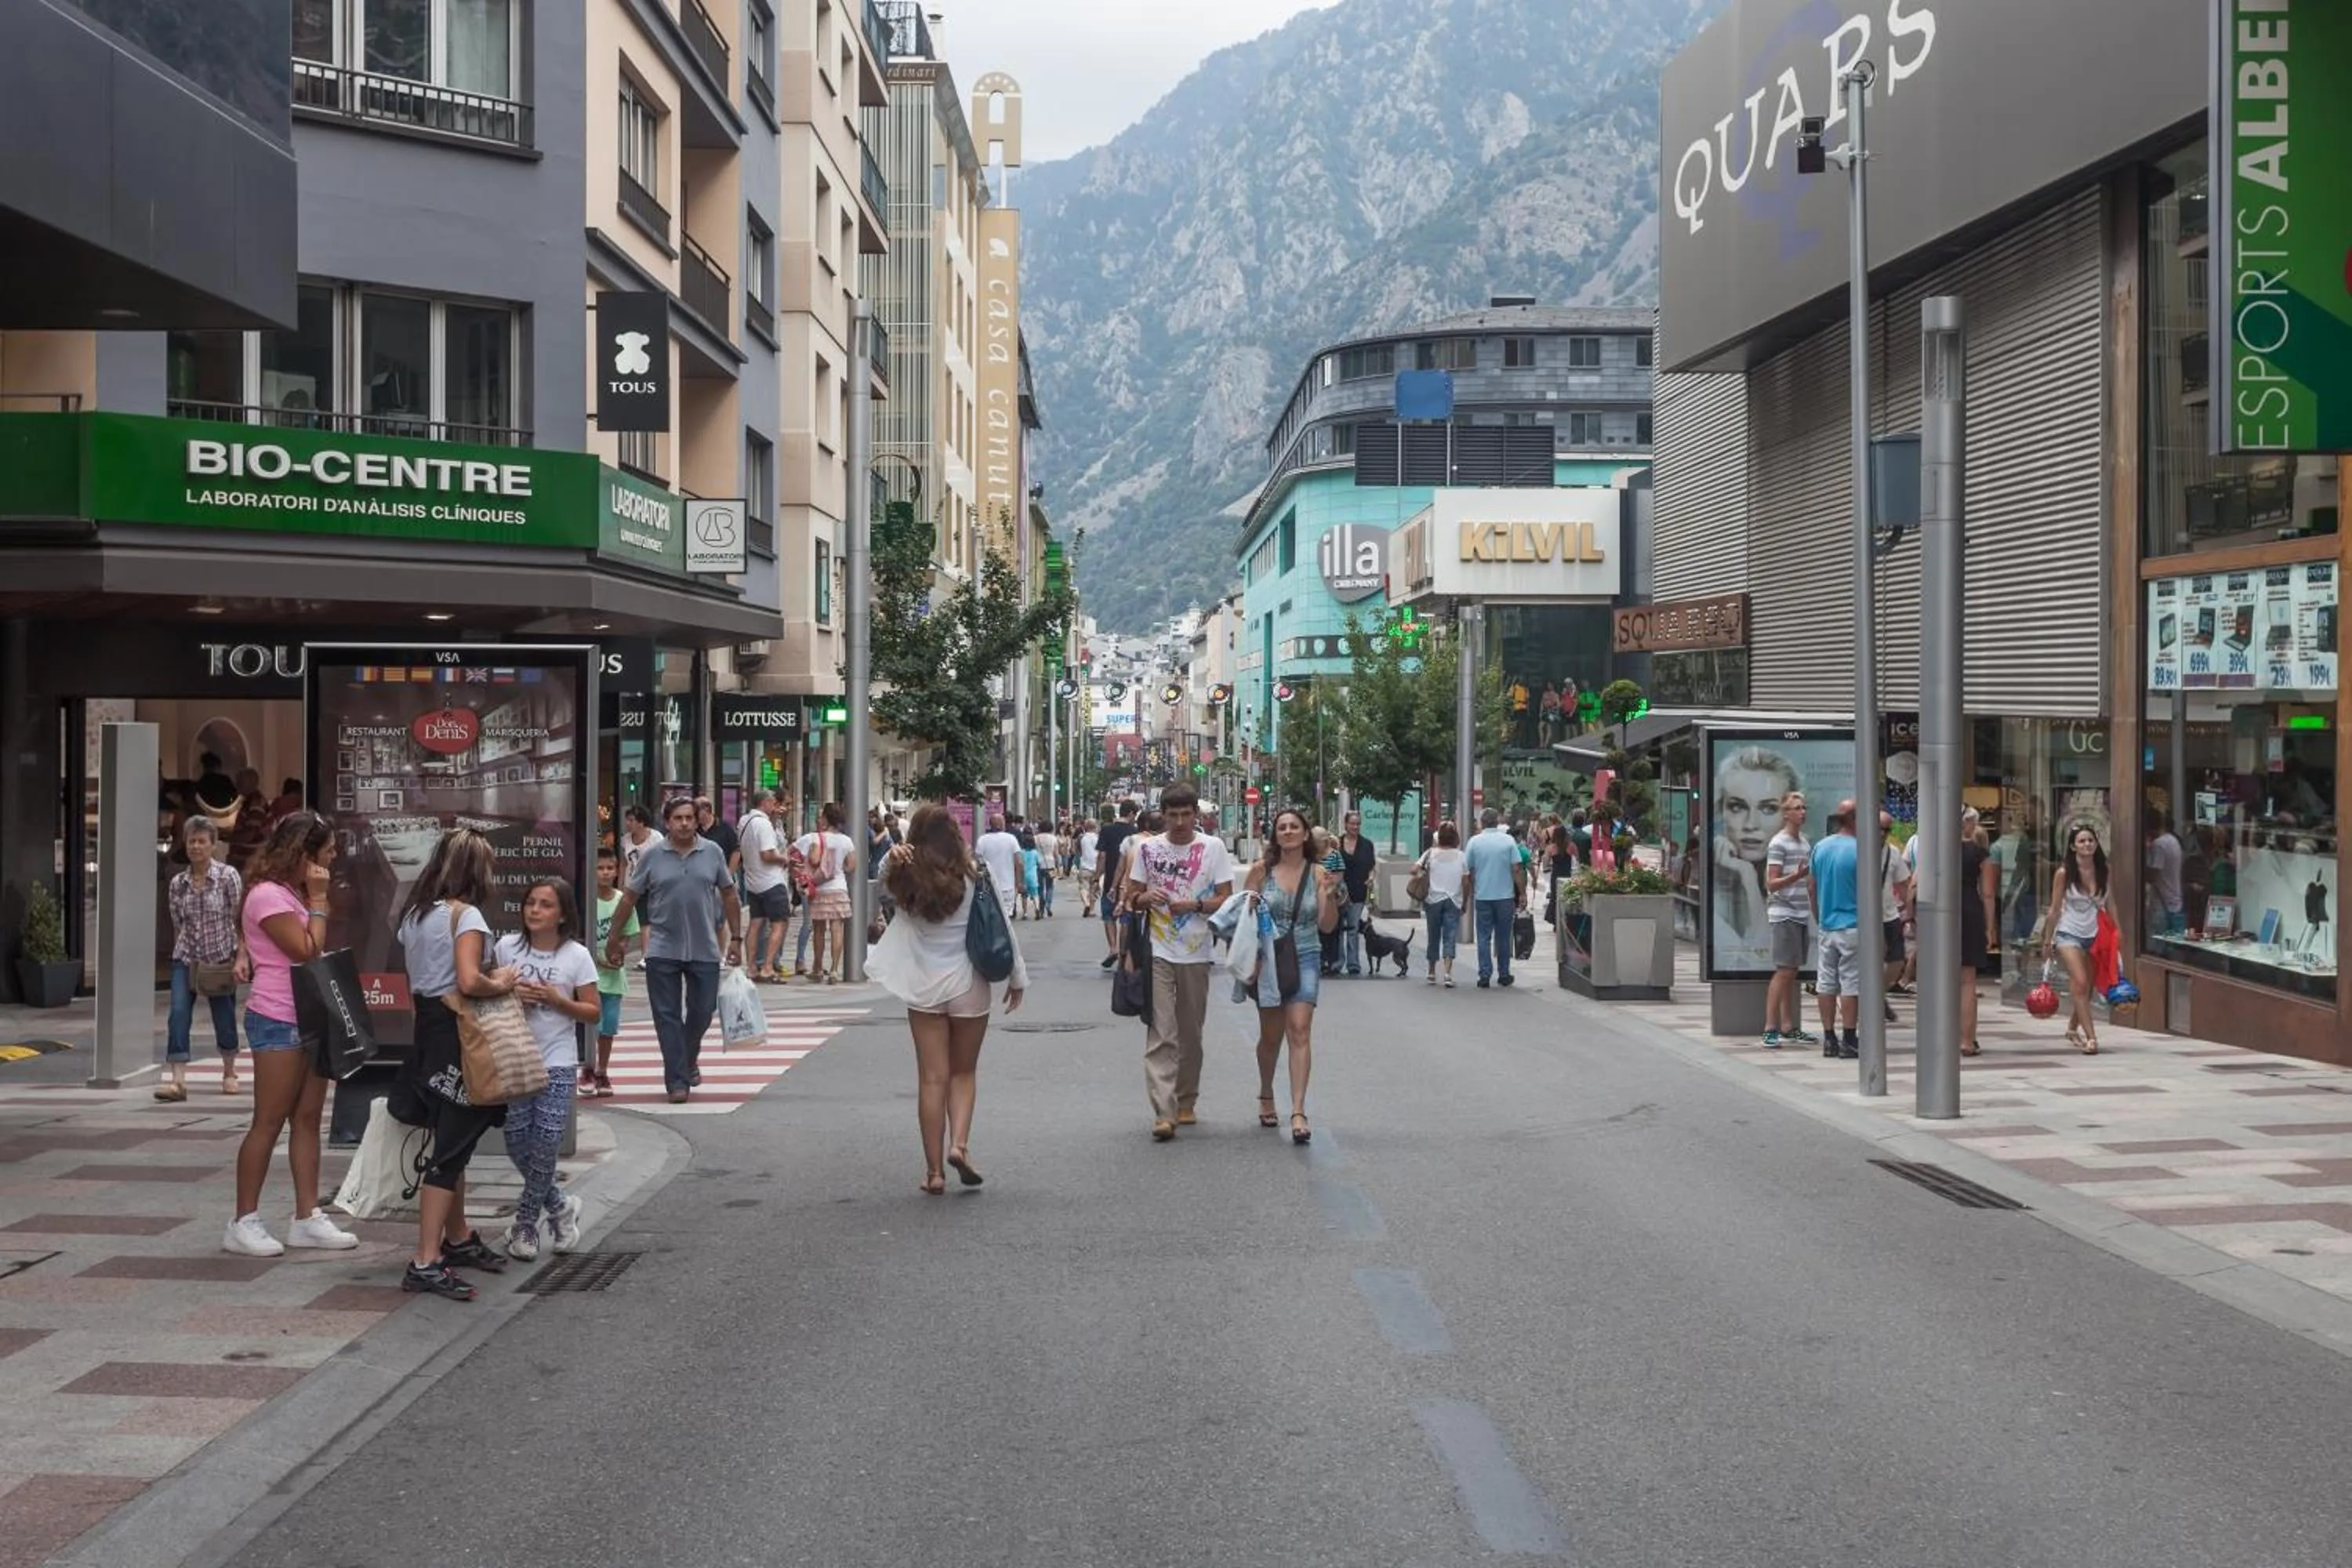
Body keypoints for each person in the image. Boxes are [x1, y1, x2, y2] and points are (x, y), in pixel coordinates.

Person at [869, 803, 1029, 1196]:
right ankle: (959, 1145)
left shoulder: (905, 877)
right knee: (963, 1073)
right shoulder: (975, 874)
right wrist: (1017, 976)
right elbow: (1000, 925)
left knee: (931, 1079)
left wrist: (892, 858)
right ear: (954, 836)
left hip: (923, 988)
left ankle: (934, 1172)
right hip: (968, 985)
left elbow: (878, 888)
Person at [390, 828, 521, 1299]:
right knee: (449, 1153)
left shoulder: (416, 915)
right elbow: (468, 981)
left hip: (428, 1032)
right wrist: (501, 978)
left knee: (452, 1141)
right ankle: (426, 1259)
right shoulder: (467, 918)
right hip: (460, 1038)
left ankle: (458, 1236)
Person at [221, 813, 358, 1257]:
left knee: (307, 1117)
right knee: (269, 1119)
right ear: (303, 854)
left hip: (310, 1015)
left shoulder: (289, 893)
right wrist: (318, 902)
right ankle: (243, 1220)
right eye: (327, 851)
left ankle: (306, 1216)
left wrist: (314, 900)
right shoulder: (267, 896)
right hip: (279, 1016)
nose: (333, 858)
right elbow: (306, 950)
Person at [604, 797, 746, 1102]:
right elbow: (629, 897)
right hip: (662, 948)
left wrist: (736, 938)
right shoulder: (653, 856)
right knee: (666, 1017)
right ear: (667, 822)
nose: (684, 823)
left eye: (689, 818)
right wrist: (615, 938)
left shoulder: (713, 852)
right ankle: (677, 1081)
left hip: (705, 948)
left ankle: (688, 1058)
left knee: (703, 1012)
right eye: (678, 818)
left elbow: (730, 894)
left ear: (697, 821)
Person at [493, 878, 600, 1259]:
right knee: (517, 1141)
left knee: (546, 1141)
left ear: (562, 914)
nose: (534, 910)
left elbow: (592, 1010)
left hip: (557, 1059)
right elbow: (486, 994)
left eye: (545, 905)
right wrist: (508, 995)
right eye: (531, 903)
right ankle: (560, 1206)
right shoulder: (507, 948)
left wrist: (558, 1000)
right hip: (516, 1057)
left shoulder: (576, 955)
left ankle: (524, 1223)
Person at [1127, 784, 1232, 1141]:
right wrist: (1146, 897)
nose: (1180, 822)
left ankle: (1187, 1099)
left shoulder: (1213, 848)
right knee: (1162, 1032)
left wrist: (1195, 906)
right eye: (1173, 815)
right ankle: (1164, 1111)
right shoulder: (1148, 849)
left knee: (1191, 1032)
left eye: (1186, 814)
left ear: (1196, 815)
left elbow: (1225, 899)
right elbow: (1131, 898)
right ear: (1163, 815)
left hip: (1198, 950)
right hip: (1157, 949)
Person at [1244, 808, 1343, 1144]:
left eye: (1294, 827)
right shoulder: (1260, 873)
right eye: (1281, 827)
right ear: (1275, 835)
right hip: (1269, 958)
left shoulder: (1318, 874)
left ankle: (1299, 1110)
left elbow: (1327, 926)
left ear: (1305, 835)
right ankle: (1266, 1092)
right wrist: (1253, 957)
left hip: (1306, 954)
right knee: (1271, 1036)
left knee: (1299, 1030)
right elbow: (1243, 921)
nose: (1287, 832)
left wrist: (1329, 897)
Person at [159, 814, 245, 1102]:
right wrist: (178, 953)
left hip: (219, 956)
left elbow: (238, 917)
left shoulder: (227, 877)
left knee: (224, 1016)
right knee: (179, 1014)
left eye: (202, 841)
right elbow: (177, 922)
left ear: (213, 845)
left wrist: (239, 956)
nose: (196, 846)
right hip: (186, 956)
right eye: (191, 841)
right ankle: (178, 1079)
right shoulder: (178, 883)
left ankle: (230, 1071)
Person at [1712, 746, 1802, 965]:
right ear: (1721, 810)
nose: (1751, 825)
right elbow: (1760, 958)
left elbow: (1769, 959)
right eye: (1737, 807)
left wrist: (1749, 879)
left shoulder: (1803, 876)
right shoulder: (1711, 895)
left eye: (1769, 809)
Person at [2042, 823, 2110, 1055]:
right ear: (2073, 846)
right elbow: (2054, 909)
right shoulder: (2064, 873)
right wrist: (2047, 939)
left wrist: (2118, 931)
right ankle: (2091, 1037)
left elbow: (2112, 905)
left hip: (2095, 934)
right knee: (2080, 981)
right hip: (2068, 933)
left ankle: (2072, 1027)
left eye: (2090, 840)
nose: (2087, 844)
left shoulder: (2104, 871)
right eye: (2081, 841)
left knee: (2087, 987)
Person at [583, 845, 638, 1097]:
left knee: (608, 1028)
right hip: (589, 976)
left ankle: (603, 1071)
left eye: (610, 868)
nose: (605, 873)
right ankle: (587, 1068)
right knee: (590, 1026)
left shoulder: (622, 901)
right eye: (600, 868)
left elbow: (629, 935)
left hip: (614, 977)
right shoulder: (585, 900)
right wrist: (597, 958)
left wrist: (619, 952)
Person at [1809, 800, 1863, 1060]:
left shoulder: (1821, 847)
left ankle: (1829, 1038)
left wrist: (1819, 915)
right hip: (1853, 925)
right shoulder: (1861, 850)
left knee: (1826, 981)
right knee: (1851, 983)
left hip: (1827, 925)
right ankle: (1849, 1039)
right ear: (1854, 819)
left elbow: (1812, 886)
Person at [1762, 793, 1814, 1047]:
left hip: (1801, 913)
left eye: (1804, 807)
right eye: (1796, 808)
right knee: (1784, 970)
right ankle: (1770, 1027)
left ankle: (1787, 1025)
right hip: (1784, 913)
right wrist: (1797, 875)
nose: (1802, 812)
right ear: (1785, 814)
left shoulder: (1804, 843)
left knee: (1792, 971)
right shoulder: (1779, 843)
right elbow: (1771, 884)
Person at [794, 803, 858, 982]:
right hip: (839, 888)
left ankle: (818, 968)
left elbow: (814, 860)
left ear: (826, 818)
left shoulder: (817, 837)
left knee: (819, 930)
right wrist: (838, 868)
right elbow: (852, 866)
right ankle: (835, 970)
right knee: (837, 928)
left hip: (821, 889)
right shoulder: (847, 841)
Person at [1463, 808, 1525, 989]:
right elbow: (1516, 869)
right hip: (1505, 897)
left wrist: (1473, 888)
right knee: (1503, 937)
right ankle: (1504, 974)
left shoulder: (1474, 842)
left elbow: (1468, 871)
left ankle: (1484, 974)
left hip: (1483, 896)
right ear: (1497, 822)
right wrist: (1522, 893)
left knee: (1483, 937)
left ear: (1482, 822)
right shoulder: (1508, 842)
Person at [739, 790, 793, 982]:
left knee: (756, 923)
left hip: (753, 881)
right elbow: (767, 855)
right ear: (766, 802)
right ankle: (768, 967)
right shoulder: (763, 824)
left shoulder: (744, 821)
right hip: (771, 881)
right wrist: (784, 858)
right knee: (780, 923)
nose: (776, 806)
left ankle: (752, 967)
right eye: (773, 802)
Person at [1958, 808, 1998, 1056]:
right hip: (1970, 910)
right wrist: (1990, 927)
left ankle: (1940, 1036)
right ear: (1967, 824)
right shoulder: (1979, 853)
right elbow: (1989, 893)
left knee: (1941, 980)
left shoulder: (1934, 847)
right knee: (1967, 981)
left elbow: (1915, 884)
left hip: (1939, 913)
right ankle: (1966, 1040)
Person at [1415, 821, 1468, 985]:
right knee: (1450, 936)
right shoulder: (1461, 856)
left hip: (1433, 900)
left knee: (1433, 935)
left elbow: (1413, 869)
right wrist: (1465, 901)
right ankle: (1447, 973)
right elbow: (1466, 881)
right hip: (1453, 900)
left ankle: (1431, 971)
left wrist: (1424, 872)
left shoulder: (1430, 853)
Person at [1094, 802, 1139, 968]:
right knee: (1126, 918)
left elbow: (1102, 856)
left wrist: (1096, 878)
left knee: (1108, 916)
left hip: (1110, 881)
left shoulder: (1106, 830)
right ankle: (1123, 950)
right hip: (1130, 882)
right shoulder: (1135, 834)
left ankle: (1112, 948)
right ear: (1132, 814)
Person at [1878, 812, 1914, 1024]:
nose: (1883, 834)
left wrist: (1909, 911)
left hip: (1889, 915)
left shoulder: (1892, 853)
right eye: (1879, 829)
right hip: (1861, 917)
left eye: (1887, 830)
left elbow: (1904, 883)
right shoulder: (1855, 849)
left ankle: (1877, 995)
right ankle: (1869, 1000)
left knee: (1896, 961)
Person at [1335, 809, 1377, 977]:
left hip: (1359, 891)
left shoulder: (1367, 844)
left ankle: (1353, 964)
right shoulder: (1336, 843)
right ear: (1346, 824)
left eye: (1358, 824)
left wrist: (1371, 879)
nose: (1355, 827)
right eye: (1352, 823)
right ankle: (1337, 962)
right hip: (1338, 893)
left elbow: (1372, 867)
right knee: (1338, 929)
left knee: (1353, 928)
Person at [2145, 815, 2186, 938]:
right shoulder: (2174, 841)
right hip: (2175, 900)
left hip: (2162, 903)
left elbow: (2154, 874)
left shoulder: (2159, 844)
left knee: (2159, 943)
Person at [975, 813, 1022, 913]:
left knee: (990, 914)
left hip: (988, 885)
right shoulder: (1011, 839)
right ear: (1001, 825)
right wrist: (1019, 882)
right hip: (1007, 886)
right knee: (1005, 916)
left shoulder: (982, 840)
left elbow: (977, 862)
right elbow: (1019, 862)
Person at [695, 796, 740, 881]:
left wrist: (729, 874)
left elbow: (736, 852)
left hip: (720, 879)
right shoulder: (695, 829)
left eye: (697, 813)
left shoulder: (725, 829)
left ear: (706, 811)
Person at [619, 804, 659, 887]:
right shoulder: (625, 839)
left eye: (631, 821)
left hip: (649, 887)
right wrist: (620, 886)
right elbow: (624, 864)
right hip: (630, 886)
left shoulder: (656, 838)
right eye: (627, 820)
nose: (627, 823)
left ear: (641, 822)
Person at [1017, 829, 1042, 920]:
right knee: (1035, 894)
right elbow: (1039, 863)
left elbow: (1019, 864)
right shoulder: (1035, 853)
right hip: (1033, 876)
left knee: (1024, 895)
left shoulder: (1021, 853)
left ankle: (1025, 913)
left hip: (1024, 876)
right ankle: (1037, 909)